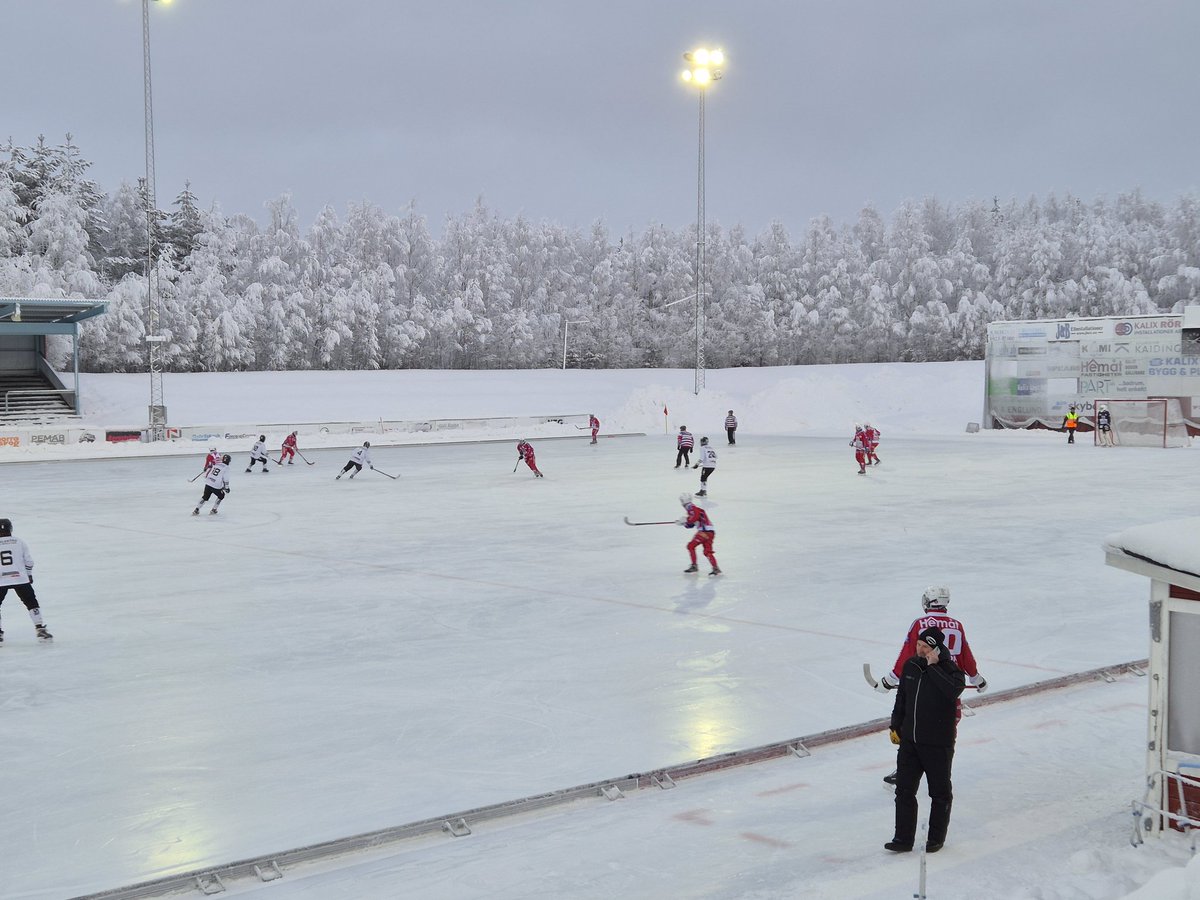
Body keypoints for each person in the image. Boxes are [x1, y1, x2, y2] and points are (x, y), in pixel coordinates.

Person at [877, 586, 986, 784]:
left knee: (914, 724)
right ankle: (941, 770)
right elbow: (964, 655)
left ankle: (906, 770)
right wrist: (976, 678)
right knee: (947, 726)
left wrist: (890, 680)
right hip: (950, 683)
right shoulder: (956, 625)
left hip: (924, 681)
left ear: (928, 602)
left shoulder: (920, 623)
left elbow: (909, 653)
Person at [885, 625, 966, 854]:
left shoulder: (952, 672)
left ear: (937, 650)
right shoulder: (910, 666)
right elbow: (902, 698)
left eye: (925, 647)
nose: (919, 650)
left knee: (939, 793)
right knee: (904, 791)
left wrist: (932, 667)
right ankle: (902, 839)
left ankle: (935, 838)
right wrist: (895, 725)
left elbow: (951, 692)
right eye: (918, 645)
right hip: (910, 742)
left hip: (938, 745)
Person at [0, 518, 52, 642]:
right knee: (31, 603)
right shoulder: (19, 542)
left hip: (1, 580)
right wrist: (29, 575)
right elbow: (29, 561)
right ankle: (40, 628)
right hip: (20, 578)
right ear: (10, 529)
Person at [677, 493, 720, 576]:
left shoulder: (691, 507)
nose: (681, 503)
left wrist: (686, 520)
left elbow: (694, 518)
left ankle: (694, 566)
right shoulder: (692, 509)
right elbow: (692, 523)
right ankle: (716, 568)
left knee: (691, 546)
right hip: (710, 532)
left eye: (681, 501)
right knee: (707, 552)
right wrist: (683, 523)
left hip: (704, 531)